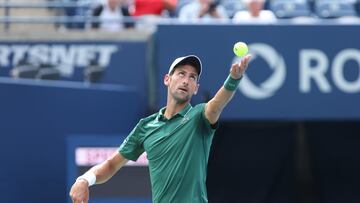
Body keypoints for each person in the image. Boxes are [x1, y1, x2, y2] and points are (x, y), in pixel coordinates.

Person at [69, 53, 252, 203]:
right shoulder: (146, 126)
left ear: (196, 88)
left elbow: (217, 105)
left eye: (192, 77)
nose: (186, 80)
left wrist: (233, 79)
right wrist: (84, 179)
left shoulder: (199, 116)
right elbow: (111, 165)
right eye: (181, 73)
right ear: (167, 79)